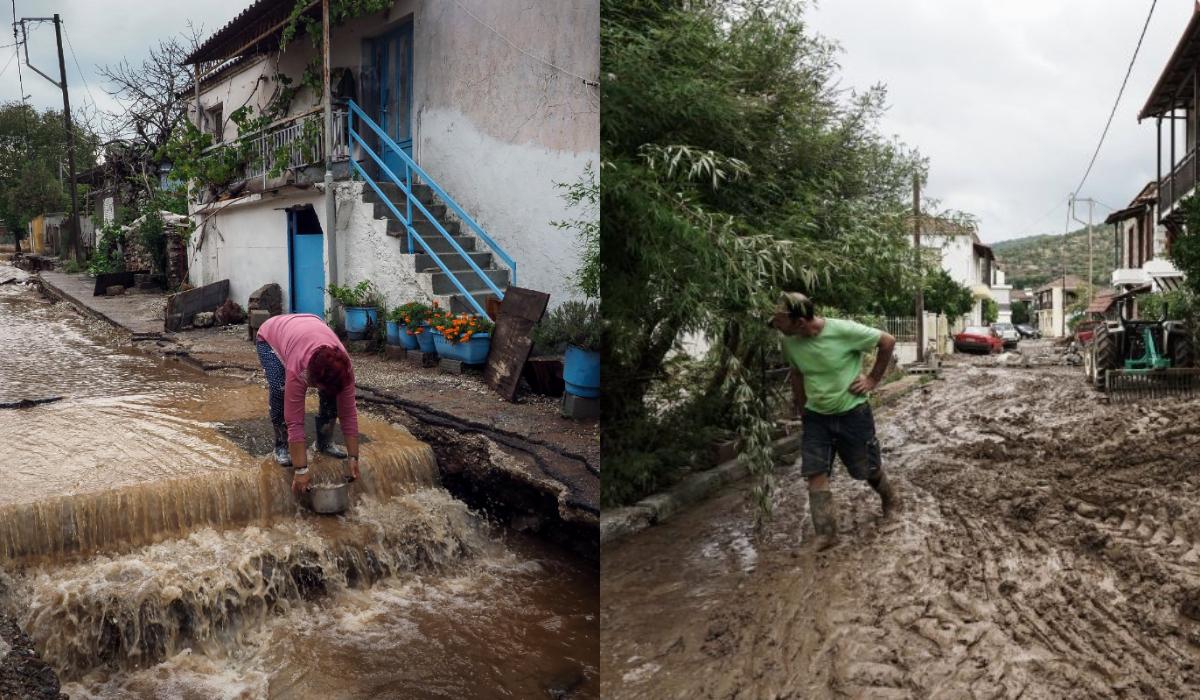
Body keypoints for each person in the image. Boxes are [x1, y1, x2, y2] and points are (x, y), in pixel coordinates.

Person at [770, 292, 900, 550]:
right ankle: (826, 534)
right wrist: (801, 406)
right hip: (816, 417)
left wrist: (872, 379)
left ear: (800, 322)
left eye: (780, 322)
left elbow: (887, 341)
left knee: (866, 470)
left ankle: (890, 499)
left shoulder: (843, 331)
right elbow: (797, 372)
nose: (776, 327)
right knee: (814, 471)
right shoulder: (791, 343)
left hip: (853, 414)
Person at [255, 313, 361, 496]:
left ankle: (324, 443)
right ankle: (281, 445)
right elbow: (295, 420)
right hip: (270, 336)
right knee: (281, 388)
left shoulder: (345, 369)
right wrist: (301, 470)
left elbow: (349, 414)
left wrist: (354, 457)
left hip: (310, 326)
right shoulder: (298, 367)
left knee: (331, 393)